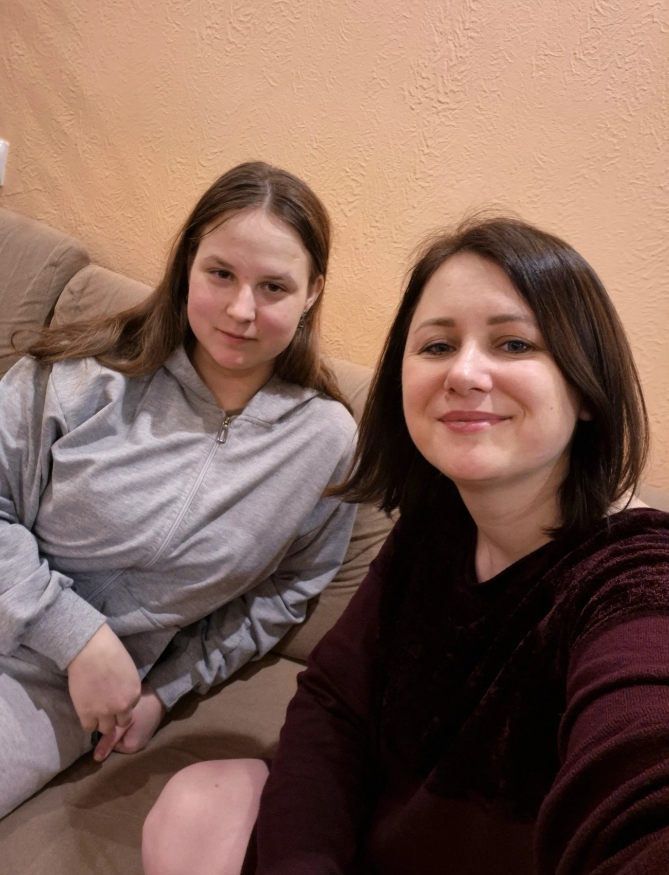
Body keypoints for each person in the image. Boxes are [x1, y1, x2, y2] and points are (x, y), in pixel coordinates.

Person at [142, 216, 669, 875]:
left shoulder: (636, 581)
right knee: (197, 799)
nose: (464, 373)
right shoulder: (436, 521)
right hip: (360, 843)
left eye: (512, 343)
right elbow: (333, 703)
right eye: (436, 345)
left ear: (586, 387)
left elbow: (638, 783)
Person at [0, 161, 358, 818]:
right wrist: (75, 636)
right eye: (220, 273)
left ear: (312, 293)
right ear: (188, 264)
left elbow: (286, 592)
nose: (241, 310)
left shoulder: (325, 441)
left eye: (273, 286)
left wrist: (166, 689)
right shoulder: (86, 372)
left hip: (54, 696)